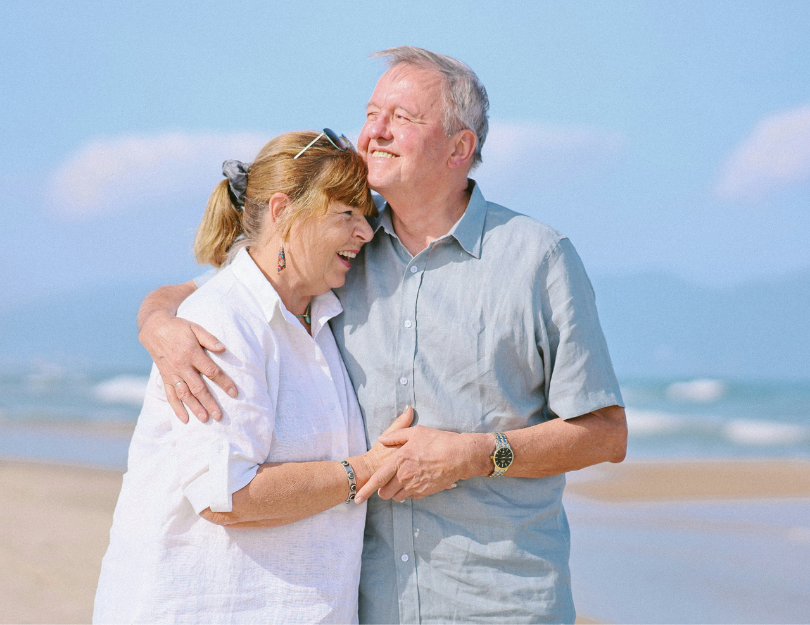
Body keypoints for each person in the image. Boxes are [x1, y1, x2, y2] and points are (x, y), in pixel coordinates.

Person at [138, 47, 628, 624]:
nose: (374, 132)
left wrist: (474, 455)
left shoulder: (537, 259)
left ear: (459, 148)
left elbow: (605, 434)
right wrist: (159, 325)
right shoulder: (342, 241)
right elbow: (228, 289)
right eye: (372, 114)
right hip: (364, 604)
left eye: (403, 118)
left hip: (501, 603)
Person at [94, 130, 412, 624]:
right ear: (283, 211)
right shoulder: (223, 321)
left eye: (366, 217)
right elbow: (227, 496)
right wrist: (364, 471)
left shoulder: (318, 313)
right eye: (346, 215)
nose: (366, 233)